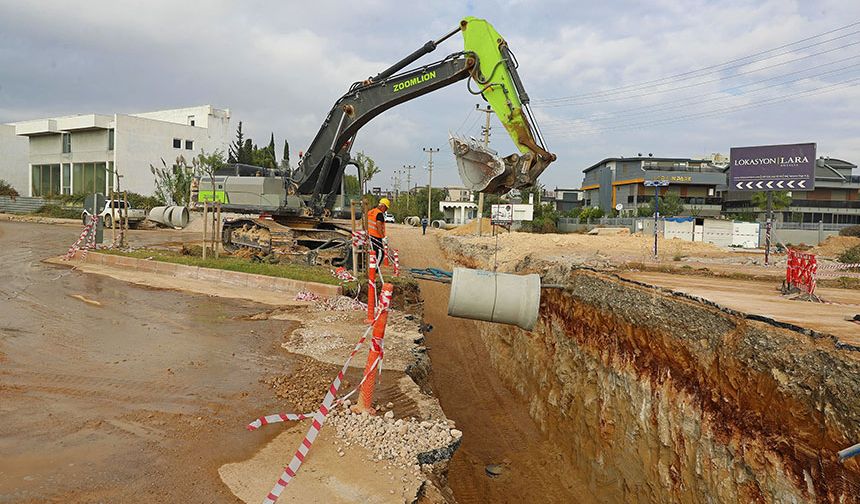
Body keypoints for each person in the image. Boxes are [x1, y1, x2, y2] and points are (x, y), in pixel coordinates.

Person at [367, 197, 390, 268]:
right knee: (380, 253)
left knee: (373, 253)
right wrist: (383, 237)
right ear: (383, 206)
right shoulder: (379, 214)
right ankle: (375, 270)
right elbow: (378, 226)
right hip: (376, 237)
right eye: (386, 208)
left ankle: (372, 269)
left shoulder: (371, 212)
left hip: (369, 235)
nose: (385, 210)